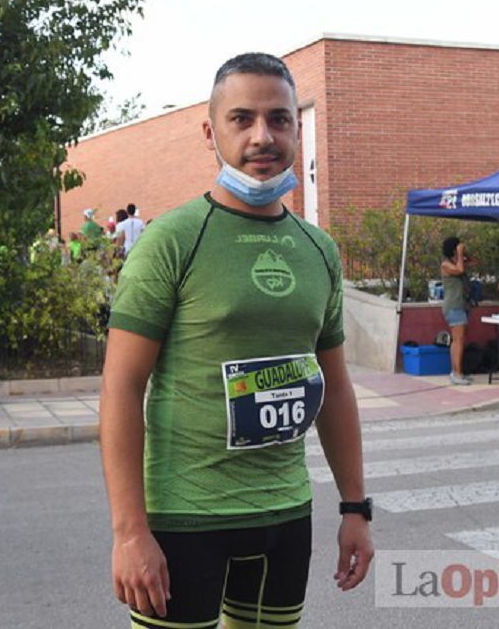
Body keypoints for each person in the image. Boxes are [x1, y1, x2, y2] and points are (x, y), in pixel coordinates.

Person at [100, 52, 372, 629]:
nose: (262, 136)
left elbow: (336, 388)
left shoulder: (318, 248)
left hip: (286, 515)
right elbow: (122, 388)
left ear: (297, 128)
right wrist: (129, 532)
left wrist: (355, 508)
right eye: (242, 119)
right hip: (185, 518)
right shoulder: (171, 241)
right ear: (210, 131)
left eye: (279, 119)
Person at [440, 236, 474, 386]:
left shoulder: (457, 261)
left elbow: (474, 263)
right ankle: (456, 373)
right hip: (453, 306)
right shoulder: (446, 265)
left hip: (462, 305)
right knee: (458, 340)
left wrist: (465, 254)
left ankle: (458, 371)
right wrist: (460, 253)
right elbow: (460, 270)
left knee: (460, 339)